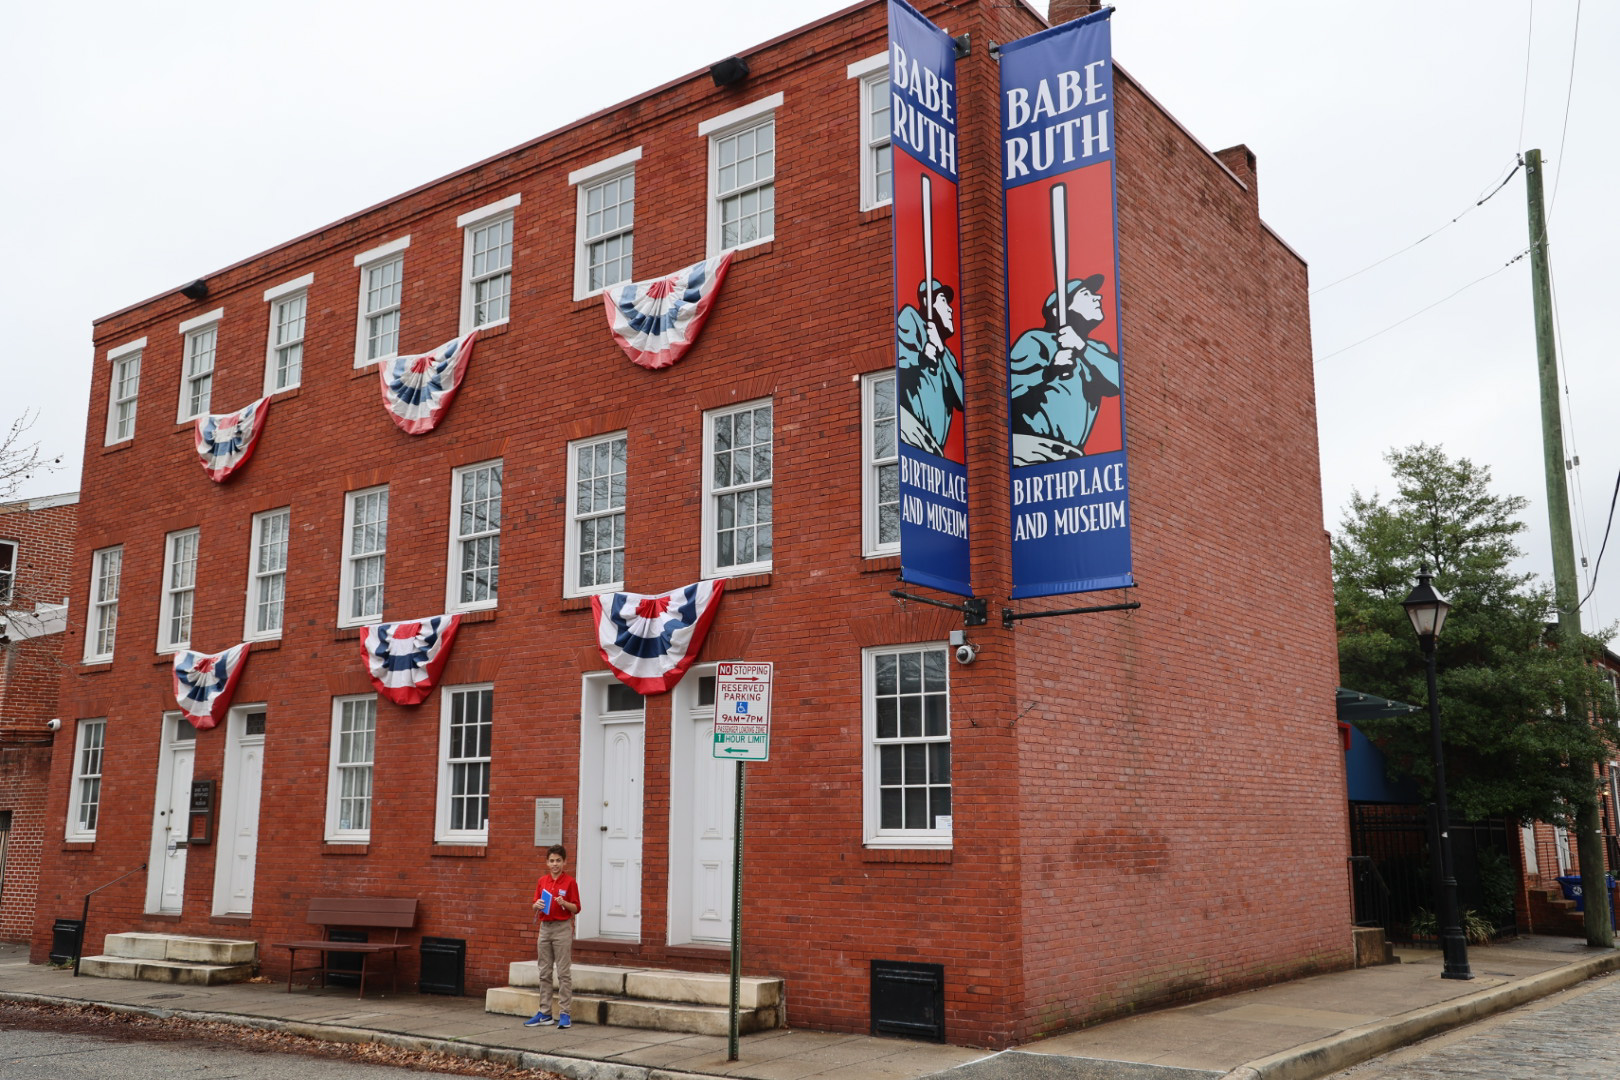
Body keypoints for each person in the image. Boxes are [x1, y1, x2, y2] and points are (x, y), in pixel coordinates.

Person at [1008, 274, 1121, 465]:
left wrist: (1080, 346)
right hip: (1032, 452)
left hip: (1071, 459)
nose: (1098, 297)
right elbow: (1008, 392)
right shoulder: (1036, 341)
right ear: (1058, 311)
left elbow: (1117, 383)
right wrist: (1049, 371)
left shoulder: (1095, 350)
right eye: (1086, 294)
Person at [895, 279, 964, 461]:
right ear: (927, 302)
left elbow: (962, 399)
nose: (950, 309)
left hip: (933, 449)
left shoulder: (947, 354)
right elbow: (899, 357)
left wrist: (940, 350)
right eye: (943, 300)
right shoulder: (912, 318)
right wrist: (921, 356)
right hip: (914, 433)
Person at [524, 844, 582, 1029]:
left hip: (562, 928)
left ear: (564, 862)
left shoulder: (570, 882)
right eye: (551, 861)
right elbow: (534, 904)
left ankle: (565, 1014)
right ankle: (545, 1013)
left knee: (563, 973)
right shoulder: (542, 881)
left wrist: (564, 902)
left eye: (558, 860)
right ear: (547, 863)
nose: (555, 864)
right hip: (545, 928)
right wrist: (537, 905)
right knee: (544, 972)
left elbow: (577, 908)